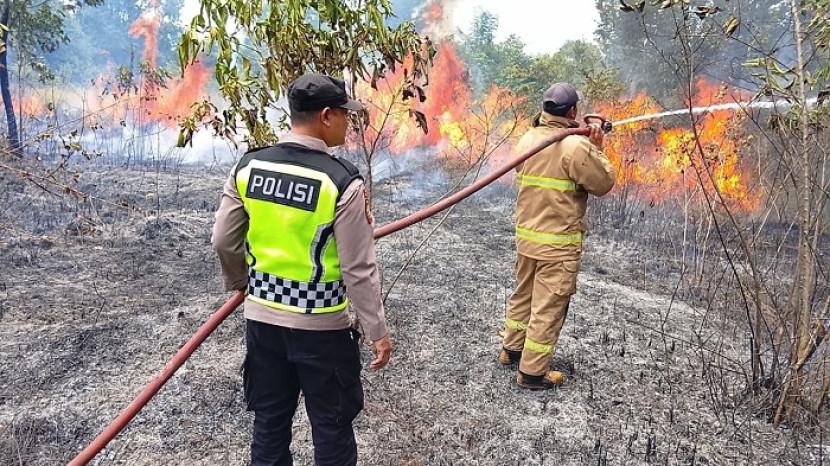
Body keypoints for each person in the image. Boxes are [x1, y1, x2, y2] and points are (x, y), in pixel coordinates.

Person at [212, 73, 392, 465]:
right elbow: (358, 268)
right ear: (326, 116)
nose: (348, 122)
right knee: (332, 428)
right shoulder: (341, 181)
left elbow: (223, 240)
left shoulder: (248, 167)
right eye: (344, 114)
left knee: (269, 425)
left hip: (263, 324)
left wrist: (243, 283)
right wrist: (377, 330)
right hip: (322, 331)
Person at [498, 82, 615, 390]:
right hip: (557, 246)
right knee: (547, 309)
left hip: (527, 238)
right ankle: (532, 373)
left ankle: (511, 350)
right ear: (573, 111)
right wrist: (596, 148)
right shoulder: (575, 147)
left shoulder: (529, 138)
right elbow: (603, 183)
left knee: (523, 296)